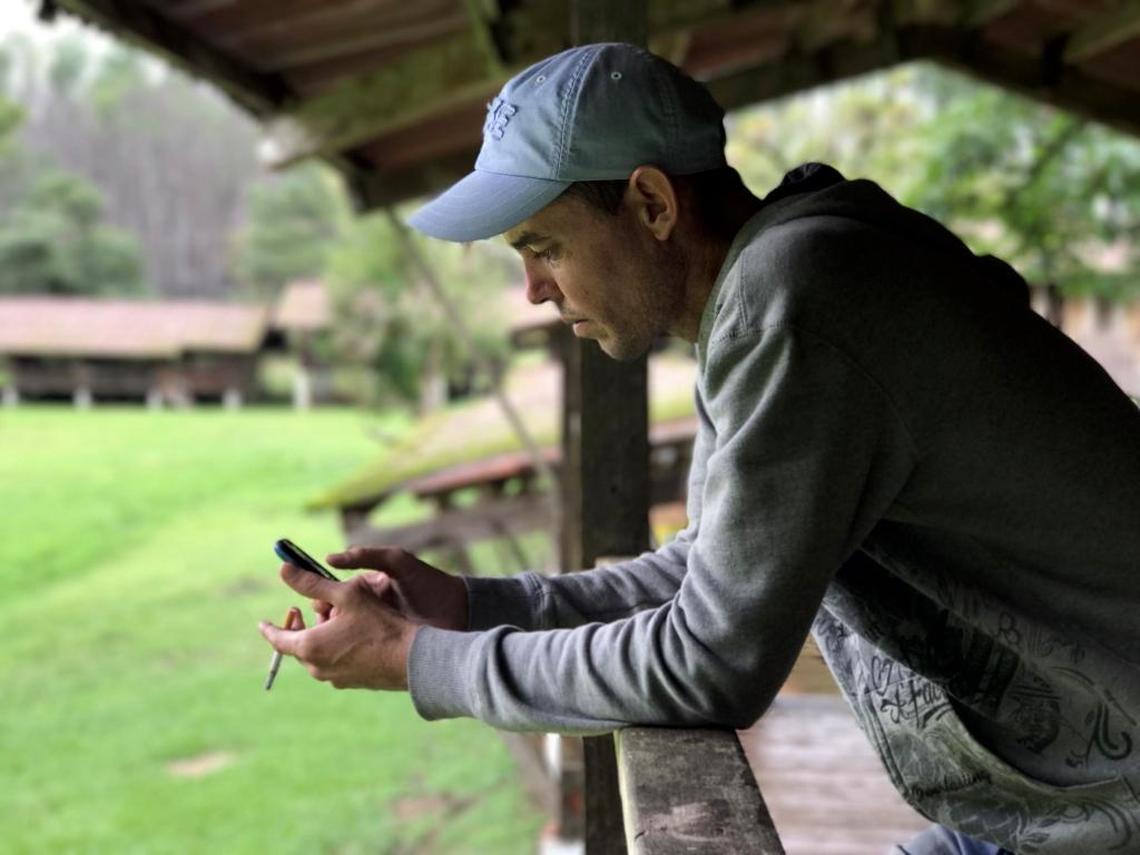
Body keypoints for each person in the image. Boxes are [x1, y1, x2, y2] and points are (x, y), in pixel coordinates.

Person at [259, 43, 1140, 854]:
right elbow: (707, 571)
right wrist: (466, 605)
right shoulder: (778, 281)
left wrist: (416, 661)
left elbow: (706, 661)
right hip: (1048, 810)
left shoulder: (796, 301)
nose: (531, 290)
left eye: (544, 246)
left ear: (651, 203)